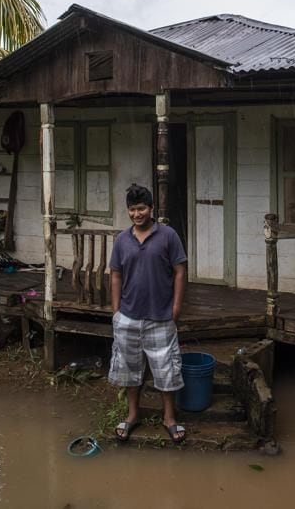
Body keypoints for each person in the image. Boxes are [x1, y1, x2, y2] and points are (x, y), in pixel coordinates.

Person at [108, 184, 188, 444]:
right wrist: (116, 310)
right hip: (128, 317)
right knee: (130, 371)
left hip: (161, 317)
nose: (136, 214)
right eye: (132, 209)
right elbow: (116, 275)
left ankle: (169, 418)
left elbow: (179, 271)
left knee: (166, 370)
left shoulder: (168, 236)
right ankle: (132, 415)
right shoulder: (122, 240)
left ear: (151, 209)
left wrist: (176, 308)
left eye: (141, 208)